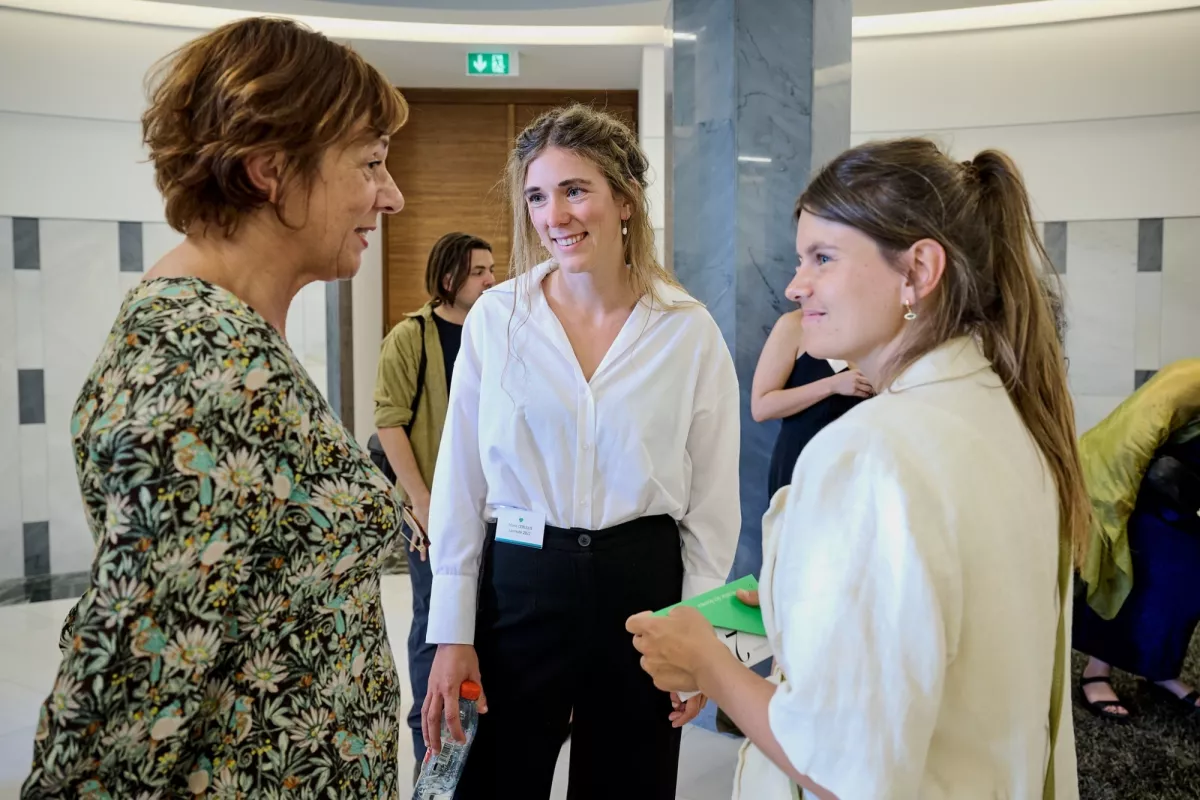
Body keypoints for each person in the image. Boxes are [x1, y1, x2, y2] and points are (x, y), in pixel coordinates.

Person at [628, 138, 1088, 799]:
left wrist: (705, 661)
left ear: (918, 271)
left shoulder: (872, 452)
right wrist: (794, 603)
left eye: (823, 257)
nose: (795, 285)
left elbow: (845, 770)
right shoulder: (1007, 413)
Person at [21, 18, 408, 798]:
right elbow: (124, 691)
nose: (391, 196)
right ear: (270, 169)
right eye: (369, 164)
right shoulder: (200, 359)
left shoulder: (230, 340)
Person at [420, 105, 740, 799]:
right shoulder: (497, 321)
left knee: (629, 784)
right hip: (522, 584)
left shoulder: (687, 330)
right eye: (538, 195)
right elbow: (461, 484)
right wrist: (451, 631)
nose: (554, 215)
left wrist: (701, 636)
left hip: (642, 587)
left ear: (625, 199)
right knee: (494, 780)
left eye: (575, 190)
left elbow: (712, 508)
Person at [372, 231, 495, 766]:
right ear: (449, 280)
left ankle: (477, 732)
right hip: (430, 511)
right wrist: (422, 502)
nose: (492, 280)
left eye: (493, 269)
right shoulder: (410, 337)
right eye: (479, 272)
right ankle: (434, 748)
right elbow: (389, 421)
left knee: (485, 620)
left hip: (493, 509)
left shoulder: (495, 333)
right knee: (435, 625)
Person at [1072, 359, 1200, 721]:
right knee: (1130, 573)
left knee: (1185, 589)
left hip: (1186, 500)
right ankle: (1096, 670)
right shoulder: (1191, 377)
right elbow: (1133, 435)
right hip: (1134, 484)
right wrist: (1115, 510)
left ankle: (1161, 670)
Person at [752, 308, 873, 502]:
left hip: (859, 466)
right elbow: (761, 407)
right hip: (802, 462)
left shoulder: (877, 325)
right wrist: (832, 385)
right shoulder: (794, 325)